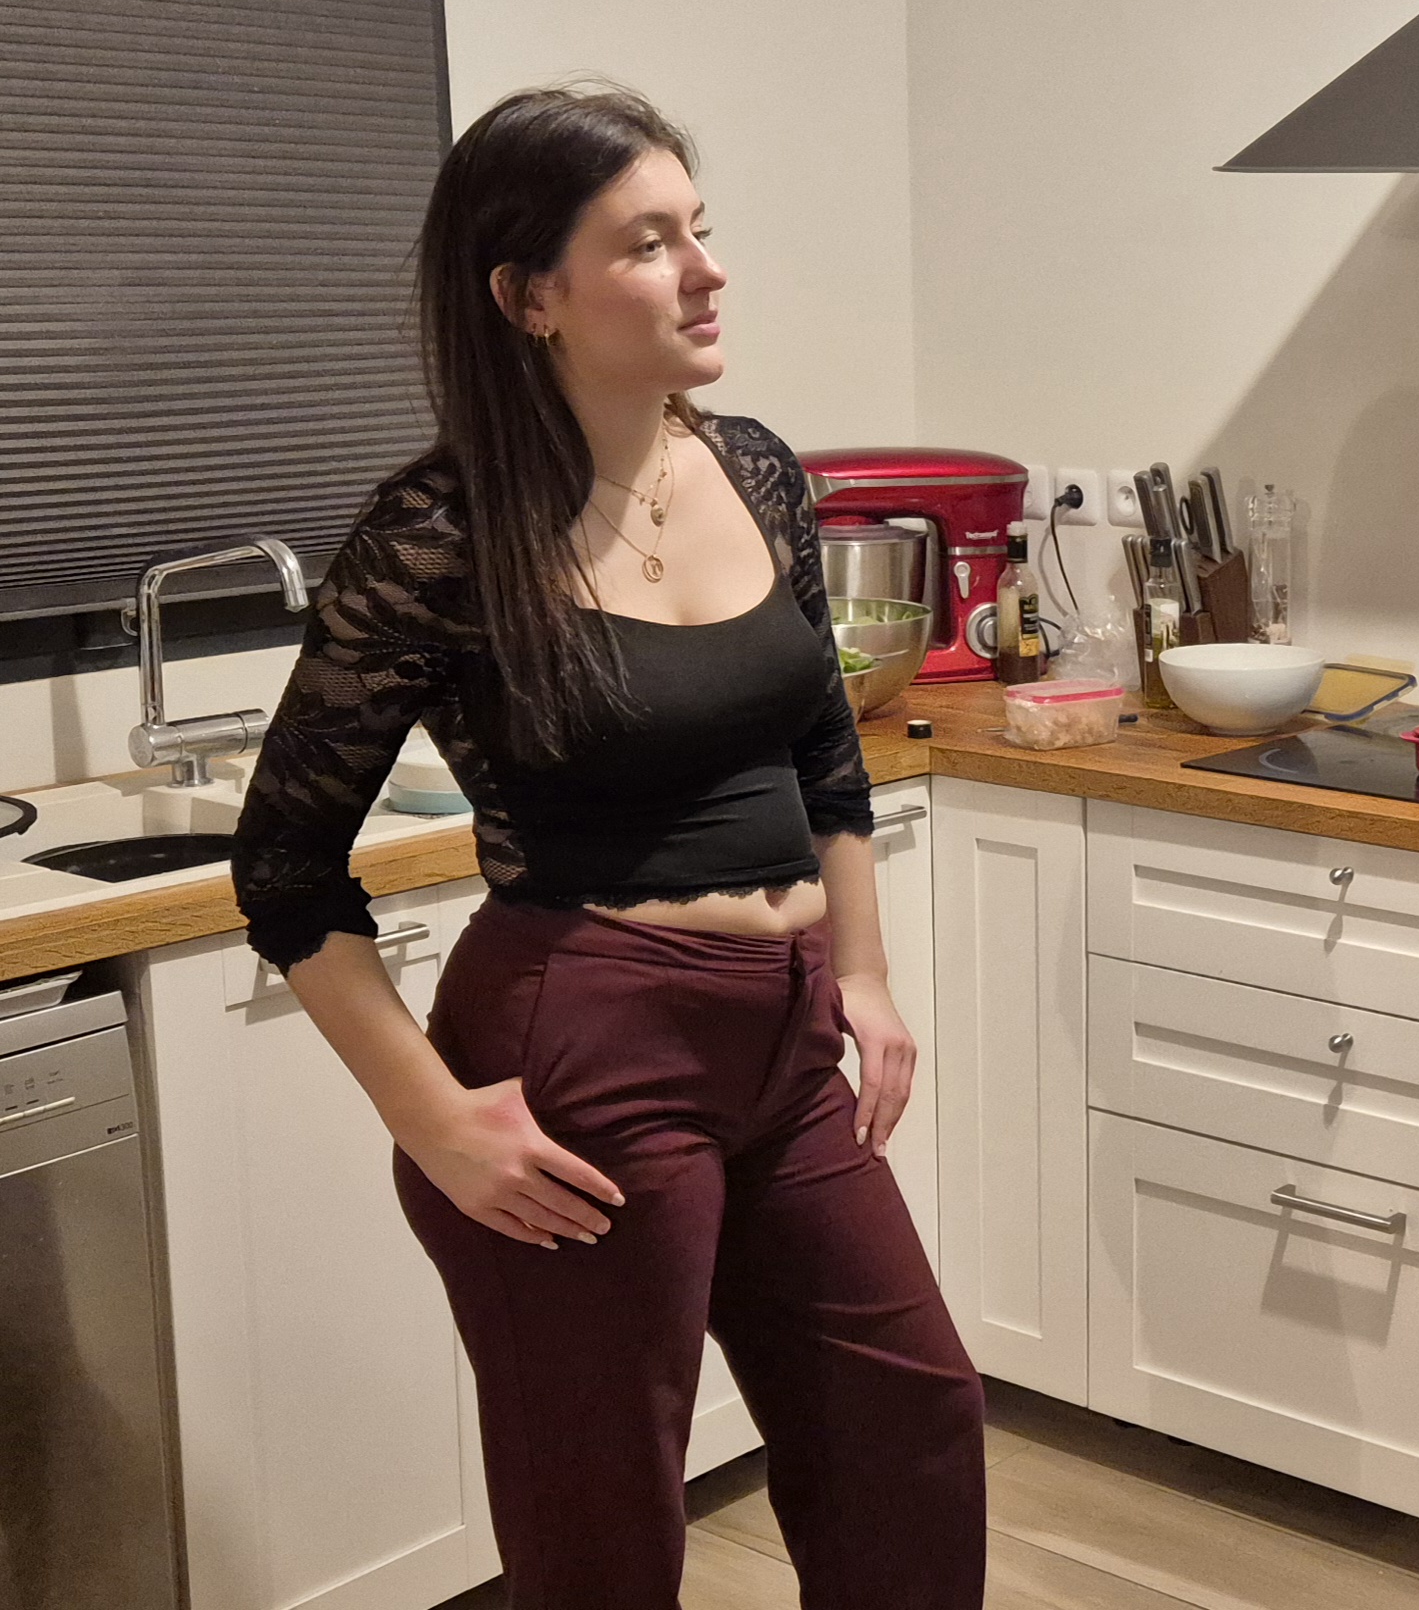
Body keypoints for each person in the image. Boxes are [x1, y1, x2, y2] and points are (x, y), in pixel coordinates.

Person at [230, 82, 986, 1609]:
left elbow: (819, 742)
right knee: (604, 1530)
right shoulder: (439, 536)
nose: (707, 271)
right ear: (529, 297)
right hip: (584, 1047)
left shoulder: (754, 468)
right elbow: (285, 867)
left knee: (907, 1429)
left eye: (698, 229)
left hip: (785, 1045)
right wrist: (433, 1123)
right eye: (648, 245)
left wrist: (862, 972)